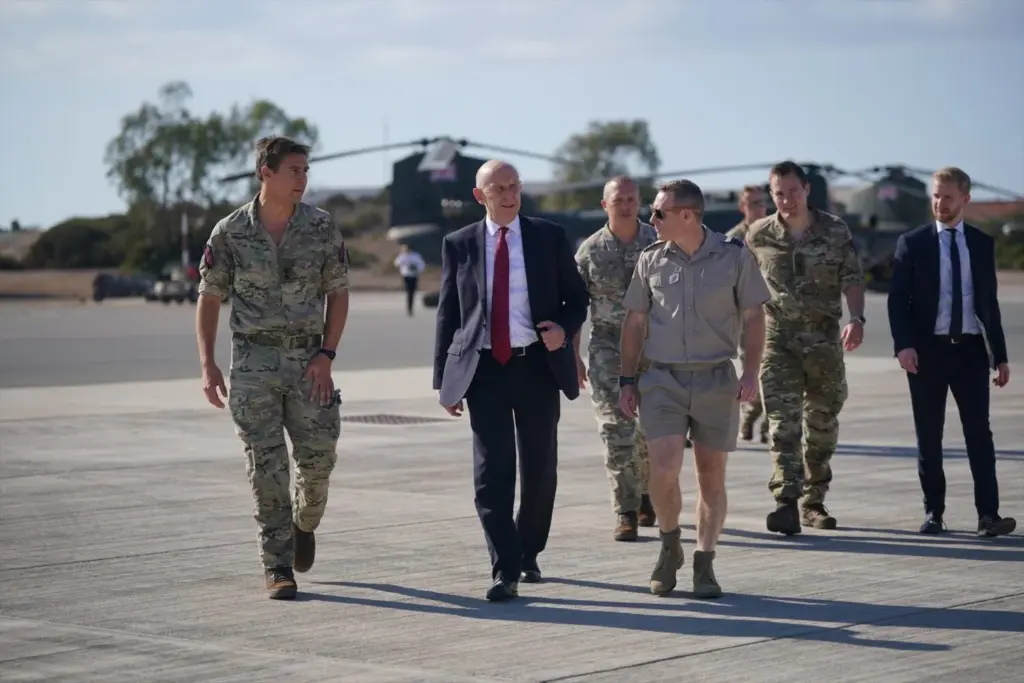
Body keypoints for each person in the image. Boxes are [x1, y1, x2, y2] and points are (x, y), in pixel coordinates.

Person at [196, 135, 351, 600]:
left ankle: (305, 523)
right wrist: (208, 364)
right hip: (252, 365)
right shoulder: (229, 232)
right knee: (266, 468)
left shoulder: (322, 228)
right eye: (295, 170)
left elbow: (338, 293)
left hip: (310, 364)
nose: (303, 178)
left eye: (306, 171)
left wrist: (327, 355)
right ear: (266, 172)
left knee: (319, 462)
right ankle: (277, 565)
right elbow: (209, 298)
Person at [433, 159, 590, 601]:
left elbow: (577, 297)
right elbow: (449, 314)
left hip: (538, 365)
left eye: (514, 185)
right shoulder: (459, 243)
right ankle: (506, 567)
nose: (509, 194)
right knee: (491, 472)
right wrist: (445, 381)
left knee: (539, 470)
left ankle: (529, 549)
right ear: (479, 195)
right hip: (485, 371)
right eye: (498, 187)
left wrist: (563, 327)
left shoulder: (548, 236)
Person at [619, 179, 770, 598]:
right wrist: (627, 381)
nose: (651, 219)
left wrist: (751, 372)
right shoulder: (650, 259)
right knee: (663, 469)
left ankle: (705, 561)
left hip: (715, 378)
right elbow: (634, 322)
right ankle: (670, 547)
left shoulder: (733, 256)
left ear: (687, 215)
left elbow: (755, 316)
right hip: (662, 379)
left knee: (711, 479)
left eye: (659, 213)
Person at [886, 166, 1015, 538]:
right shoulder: (913, 243)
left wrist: (1001, 356)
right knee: (929, 436)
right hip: (927, 353)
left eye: (947, 196)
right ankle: (933, 513)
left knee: (980, 434)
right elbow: (898, 301)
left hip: (971, 352)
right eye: (935, 195)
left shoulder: (981, 243)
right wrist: (904, 345)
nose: (939, 203)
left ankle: (988, 515)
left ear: (965, 200)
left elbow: (988, 303)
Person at [746, 161, 866, 535]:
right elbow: (743, 287)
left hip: (824, 342)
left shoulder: (834, 230)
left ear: (807, 189)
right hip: (777, 340)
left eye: (793, 191)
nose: (787, 200)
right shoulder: (759, 234)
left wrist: (857, 319)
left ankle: (814, 501)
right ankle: (785, 501)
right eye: (779, 193)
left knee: (822, 425)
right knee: (783, 424)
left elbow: (853, 278)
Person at [574, 176, 658, 541]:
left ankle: (646, 492)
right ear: (605, 204)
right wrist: (574, 356)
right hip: (607, 347)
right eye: (618, 199)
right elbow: (576, 307)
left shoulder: (659, 243)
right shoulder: (590, 251)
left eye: (631, 199)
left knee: (651, 430)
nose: (625, 205)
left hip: (655, 347)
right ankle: (625, 509)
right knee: (615, 428)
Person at [726, 185, 770, 443]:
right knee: (753, 369)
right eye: (752, 203)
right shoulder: (732, 240)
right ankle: (750, 414)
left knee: (772, 372)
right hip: (744, 318)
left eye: (761, 202)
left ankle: (766, 425)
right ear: (742, 207)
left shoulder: (777, 235)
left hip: (775, 316)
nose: (758, 208)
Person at [394, 243, 426, 316]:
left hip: (414, 276)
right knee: (409, 292)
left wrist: (417, 269)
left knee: (412, 292)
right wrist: (403, 259)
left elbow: (421, 265)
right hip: (406, 276)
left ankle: (410, 308)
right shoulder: (402, 256)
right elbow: (396, 263)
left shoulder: (416, 256)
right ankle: (409, 309)